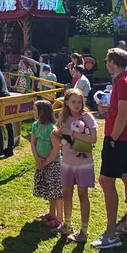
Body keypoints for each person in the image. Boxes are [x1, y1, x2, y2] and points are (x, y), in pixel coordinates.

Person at [94, 47, 127, 249]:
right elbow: (122, 110)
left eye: (107, 61)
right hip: (126, 137)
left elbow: (123, 115)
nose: (106, 65)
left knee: (106, 180)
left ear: (113, 62)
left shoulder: (123, 83)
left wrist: (113, 138)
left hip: (119, 138)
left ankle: (111, 233)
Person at [54, 89, 97, 241]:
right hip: (67, 162)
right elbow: (60, 138)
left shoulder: (87, 117)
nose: (77, 105)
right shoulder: (63, 117)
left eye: (79, 102)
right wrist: (58, 136)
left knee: (82, 195)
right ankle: (67, 224)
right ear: (66, 102)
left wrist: (72, 133)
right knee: (67, 194)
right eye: (73, 102)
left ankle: (84, 231)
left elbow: (93, 139)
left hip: (83, 163)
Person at [28, 99, 63, 231]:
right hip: (41, 162)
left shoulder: (52, 129)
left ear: (42, 112)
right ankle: (52, 213)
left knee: (57, 192)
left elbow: (55, 149)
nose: (33, 112)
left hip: (53, 164)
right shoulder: (35, 125)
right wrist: (37, 159)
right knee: (50, 191)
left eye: (35, 110)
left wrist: (46, 162)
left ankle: (60, 218)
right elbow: (33, 142)